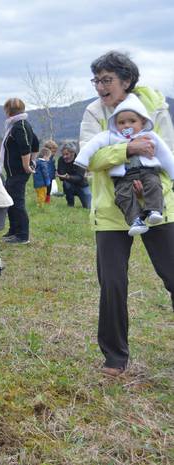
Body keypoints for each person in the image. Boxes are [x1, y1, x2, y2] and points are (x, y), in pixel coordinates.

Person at [79, 50, 174, 376]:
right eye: (96, 80)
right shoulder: (93, 113)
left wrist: (150, 191)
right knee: (113, 284)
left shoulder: (154, 107)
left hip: (156, 205)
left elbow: (164, 151)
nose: (100, 88)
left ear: (127, 81)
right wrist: (128, 148)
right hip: (110, 210)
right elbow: (90, 156)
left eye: (106, 80)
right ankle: (115, 358)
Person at [77, 93, 174, 235]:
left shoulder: (149, 136)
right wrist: (82, 159)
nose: (126, 125)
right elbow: (92, 145)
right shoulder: (111, 136)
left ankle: (154, 210)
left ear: (142, 122)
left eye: (132, 121)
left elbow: (165, 154)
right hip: (123, 177)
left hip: (147, 171)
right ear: (115, 124)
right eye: (121, 123)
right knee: (123, 195)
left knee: (154, 184)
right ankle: (135, 220)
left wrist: (172, 173)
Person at [0, 97, 37, 245]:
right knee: (10, 201)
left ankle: (22, 235)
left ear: (8, 111)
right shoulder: (18, 124)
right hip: (13, 173)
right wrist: (33, 160)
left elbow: (25, 147)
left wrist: (28, 165)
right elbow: (36, 142)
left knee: (17, 202)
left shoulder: (19, 126)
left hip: (18, 172)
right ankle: (13, 230)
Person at [56, 141, 91, 208]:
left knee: (88, 206)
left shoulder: (80, 160)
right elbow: (61, 176)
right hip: (69, 184)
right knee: (66, 184)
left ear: (73, 153)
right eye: (63, 154)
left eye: (66, 154)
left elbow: (80, 177)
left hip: (82, 185)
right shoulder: (61, 160)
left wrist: (68, 177)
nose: (64, 157)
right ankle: (70, 204)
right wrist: (66, 177)